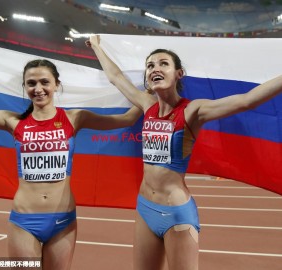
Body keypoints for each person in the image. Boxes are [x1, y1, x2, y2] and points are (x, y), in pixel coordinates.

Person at [86, 35, 282, 270]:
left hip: (176, 213)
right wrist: (96, 46)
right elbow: (116, 78)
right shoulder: (147, 105)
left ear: (179, 73)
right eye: (150, 65)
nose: (155, 69)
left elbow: (246, 101)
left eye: (163, 64)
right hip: (145, 207)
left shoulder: (192, 110)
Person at [0, 59, 143, 270]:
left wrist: (149, 92)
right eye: (31, 83)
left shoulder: (74, 118)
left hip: (63, 222)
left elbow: (126, 119)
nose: (38, 89)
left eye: (44, 82)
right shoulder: (13, 121)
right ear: (24, 87)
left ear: (56, 85)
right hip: (24, 221)